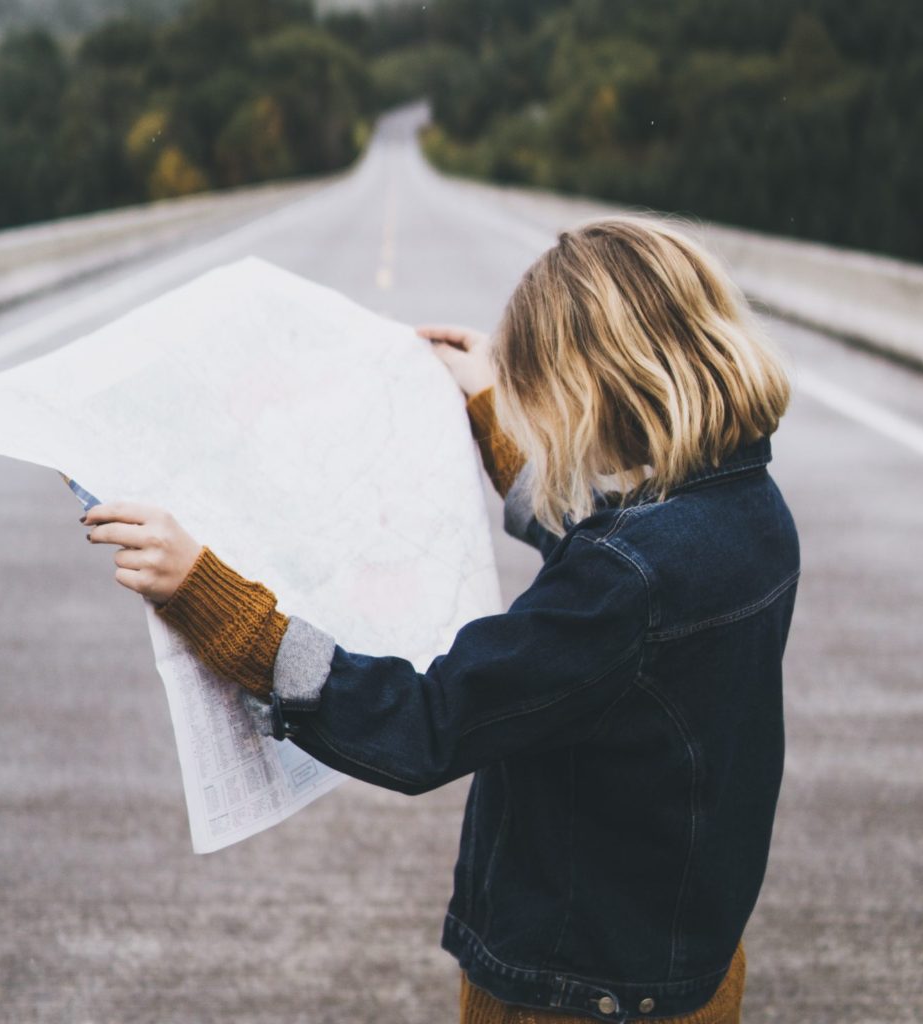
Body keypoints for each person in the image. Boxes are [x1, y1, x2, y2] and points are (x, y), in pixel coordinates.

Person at [84, 218, 799, 1024]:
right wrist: (488, 410)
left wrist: (210, 598)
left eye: (542, 400)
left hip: (570, 995)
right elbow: (611, 556)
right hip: (688, 966)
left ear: (596, 389)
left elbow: (426, 723)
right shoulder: (747, 509)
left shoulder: (625, 582)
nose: (541, 423)